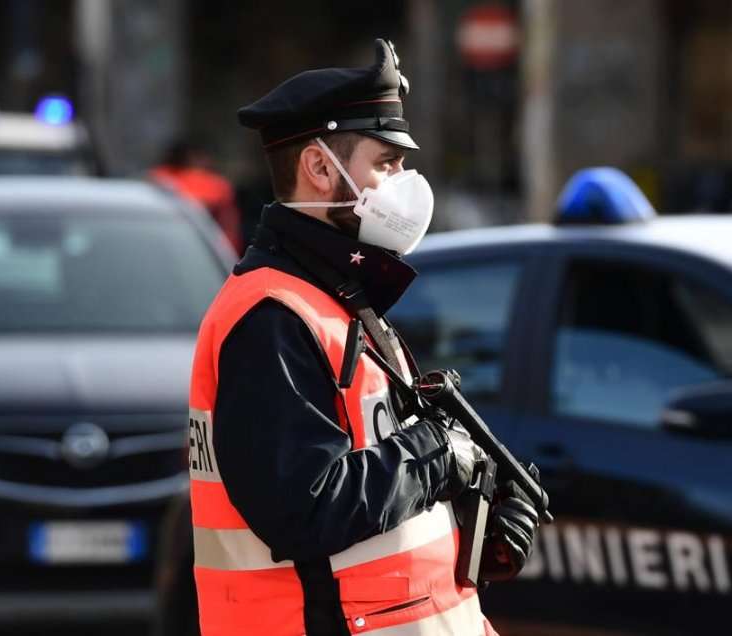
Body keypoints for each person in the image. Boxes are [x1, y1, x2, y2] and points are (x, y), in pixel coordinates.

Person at [188, 39, 539, 636]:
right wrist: (437, 455)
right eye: (386, 163)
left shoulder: (341, 297)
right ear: (321, 168)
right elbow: (303, 508)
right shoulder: (271, 316)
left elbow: (378, 497)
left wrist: (474, 510)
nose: (404, 182)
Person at [151, 139, 245, 254]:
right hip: (205, 250)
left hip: (165, 247)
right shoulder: (215, 185)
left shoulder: (155, 179)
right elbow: (229, 226)